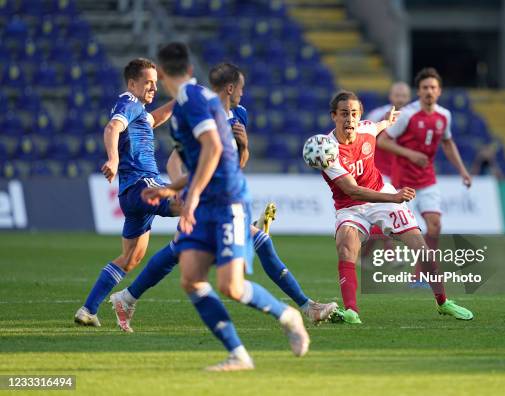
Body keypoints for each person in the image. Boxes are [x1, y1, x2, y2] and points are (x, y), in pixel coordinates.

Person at [108, 63, 337, 333]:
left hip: (225, 194)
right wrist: (183, 190)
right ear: (231, 88)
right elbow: (174, 161)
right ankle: (306, 308)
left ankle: (127, 297)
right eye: (241, 88)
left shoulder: (239, 116)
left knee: (181, 251)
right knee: (247, 247)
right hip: (207, 196)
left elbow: (236, 163)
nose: (243, 93)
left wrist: (245, 145)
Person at [141, 42, 309, 371]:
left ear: (160, 74)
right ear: (190, 71)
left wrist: (188, 200)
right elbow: (206, 157)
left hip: (227, 201)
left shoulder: (190, 102)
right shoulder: (192, 103)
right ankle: (238, 354)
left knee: (230, 286)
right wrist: (170, 188)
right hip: (208, 201)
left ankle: (288, 315)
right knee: (191, 279)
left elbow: (214, 148)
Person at [320, 90, 473, 324]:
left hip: (381, 193)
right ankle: (352, 311)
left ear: (360, 115)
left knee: (420, 247)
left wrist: (388, 121)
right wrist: (395, 198)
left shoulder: (367, 128)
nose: (350, 119)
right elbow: (352, 190)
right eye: (344, 114)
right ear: (334, 116)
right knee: (346, 247)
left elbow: (378, 125)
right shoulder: (328, 151)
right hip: (351, 206)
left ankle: (443, 302)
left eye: (353, 113)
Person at [74, 58, 178, 328]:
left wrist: (181, 101)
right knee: (186, 203)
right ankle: (242, 229)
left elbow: (155, 118)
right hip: (143, 184)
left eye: (156, 83)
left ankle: (88, 309)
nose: (154, 88)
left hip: (131, 195)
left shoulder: (139, 111)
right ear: (132, 83)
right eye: (148, 83)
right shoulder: (128, 102)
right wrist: (113, 159)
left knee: (132, 257)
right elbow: (112, 128)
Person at [377, 67, 472, 272]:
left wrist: (463, 171)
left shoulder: (444, 116)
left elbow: (448, 143)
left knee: (435, 225)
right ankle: (377, 252)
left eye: (433, 87)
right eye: (425, 87)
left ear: (439, 91)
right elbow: (383, 141)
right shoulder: (407, 115)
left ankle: (422, 273)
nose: (429, 91)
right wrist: (409, 154)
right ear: (418, 91)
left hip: (427, 180)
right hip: (403, 182)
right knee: (405, 233)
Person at [365, 81, 411, 182]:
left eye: (404, 96)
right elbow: (364, 140)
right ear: (390, 96)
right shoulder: (376, 115)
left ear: (409, 98)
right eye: (397, 95)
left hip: (405, 174)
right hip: (381, 173)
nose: (400, 99)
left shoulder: (415, 117)